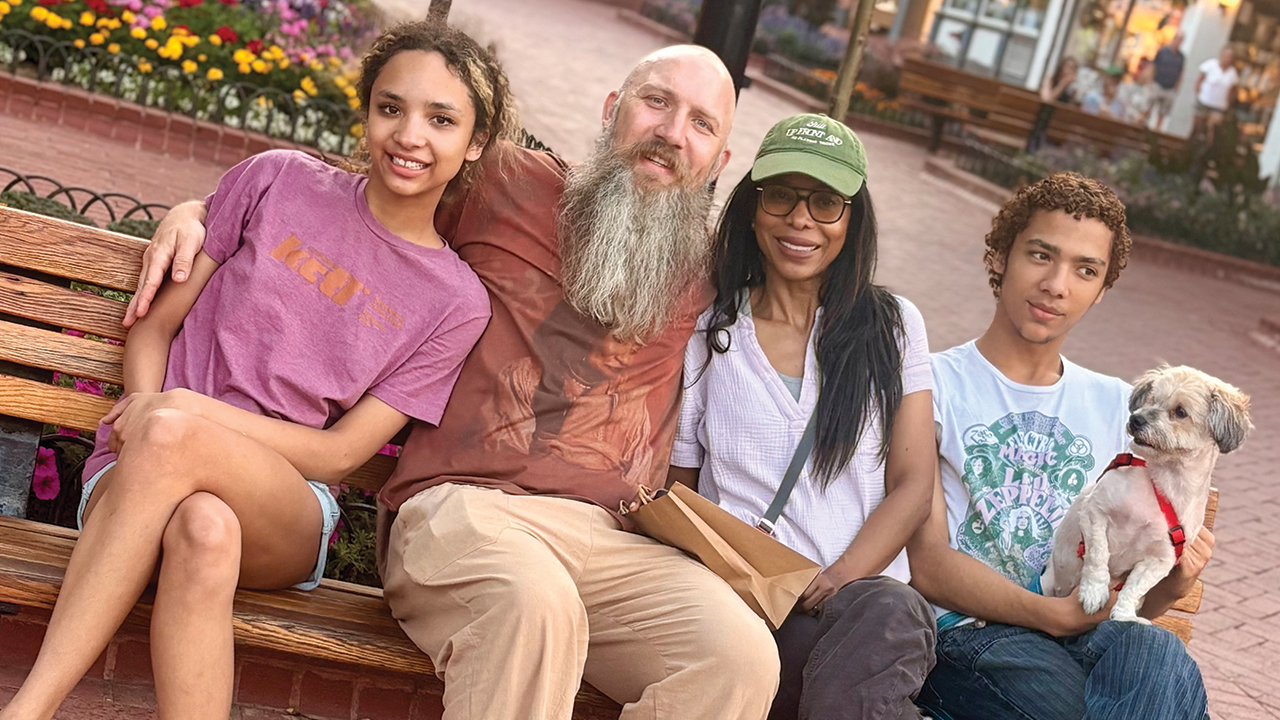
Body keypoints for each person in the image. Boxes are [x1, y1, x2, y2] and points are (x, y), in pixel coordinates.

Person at [121, 44, 783, 720]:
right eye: (657, 101)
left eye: (703, 124)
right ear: (613, 109)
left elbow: (822, 286)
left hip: (612, 541)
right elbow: (355, 193)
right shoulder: (507, 184)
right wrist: (194, 211)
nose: (673, 133)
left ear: (719, 162)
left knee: (739, 656)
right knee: (532, 602)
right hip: (465, 510)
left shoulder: (710, 269)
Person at [0, 21, 507, 720]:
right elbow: (156, 324)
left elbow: (341, 452)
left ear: (475, 141)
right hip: (140, 476)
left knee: (183, 449)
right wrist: (150, 422)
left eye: (441, 119)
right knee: (204, 530)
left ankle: (25, 711)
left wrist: (175, 414)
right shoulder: (277, 181)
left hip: (288, 506)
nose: (409, 135)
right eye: (391, 108)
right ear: (366, 111)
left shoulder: (455, 301)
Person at [907, 173, 1213, 720]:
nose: (1056, 284)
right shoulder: (931, 386)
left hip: (1082, 632)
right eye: (1041, 255)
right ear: (1000, 256)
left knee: (1158, 649)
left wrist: (1176, 577)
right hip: (970, 637)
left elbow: (1138, 596)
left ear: (1100, 290)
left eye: (1085, 270)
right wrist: (1052, 616)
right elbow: (927, 565)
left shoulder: (1123, 410)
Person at [668, 113, 937, 720]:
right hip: (749, 607)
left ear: (853, 217)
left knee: (888, 613)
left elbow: (914, 483)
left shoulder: (893, 327)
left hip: (863, 607)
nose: (801, 219)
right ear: (753, 206)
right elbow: (682, 492)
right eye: (782, 195)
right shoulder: (709, 331)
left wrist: (840, 578)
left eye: (825, 203)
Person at [1026, 57, 1078, 154]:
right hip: (1041, 125)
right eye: (1068, 67)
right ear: (1061, 67)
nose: (1069, 71)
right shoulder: (1049, 81)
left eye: (1073, 69)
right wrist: (1062, 84)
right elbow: (1046, 100)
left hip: (1058, 130)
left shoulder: (1072, 90)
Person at [1195, 46, 1239, 148]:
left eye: (1230, 57)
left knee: (1212, 131)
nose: (1227, 59)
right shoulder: (1210, 65)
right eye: (1226, 56)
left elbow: (1234, 90)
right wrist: (1199, 93)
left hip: (1219, 107)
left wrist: (1228, 102)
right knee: (1198, 128)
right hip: (1204, 102)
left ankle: (1207, 150)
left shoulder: (1233, 73)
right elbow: (1199, 80)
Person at [1150, 32, 1185, 129]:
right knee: (1148, 107)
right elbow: (1154, 66)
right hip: (1158, 83)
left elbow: (1180, 72)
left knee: (1163, 112)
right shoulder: (1163, 51)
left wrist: (1176, 87)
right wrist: (1151, 80)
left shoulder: (1181, 57)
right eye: (1177, 39)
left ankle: (1156, 130)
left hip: (1170, 87)